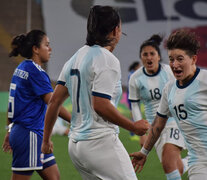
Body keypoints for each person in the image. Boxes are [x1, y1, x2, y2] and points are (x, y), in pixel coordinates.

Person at [41, 5, 149, 180]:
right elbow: (100, 105)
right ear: (115, 31)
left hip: (76, 147)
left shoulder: (74, 58)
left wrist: (46, 140)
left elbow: (54, 102)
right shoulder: (107, 60)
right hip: (99, 142)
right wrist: (133, 127)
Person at [130, 30, 206, 180]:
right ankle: (184, 165)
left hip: (175, 130)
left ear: (193, 59)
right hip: (199, 162)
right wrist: (144, 152)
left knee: (168, 158)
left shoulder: (204, 80)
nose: (174, 64)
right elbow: (158, 123)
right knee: (169, 165)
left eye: (180, 59)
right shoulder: (169, 89)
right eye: (171, 59)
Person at [2, 30, 71, 180]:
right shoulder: (36, 72)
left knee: (54, 178)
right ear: (35, 49)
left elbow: (11, 103)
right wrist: (76, 121)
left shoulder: (21, 68)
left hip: (27, 133)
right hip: (29, 134)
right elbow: (53, 103)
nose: (50, 49)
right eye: (46, 45)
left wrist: (9, 130)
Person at [127, 61, 141, 141]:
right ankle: (132, 134)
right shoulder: (132, 75)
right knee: (133, 115)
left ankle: (133, 133)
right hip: (132, 97)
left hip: (132, 97)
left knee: (134, 114)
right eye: (139, 66)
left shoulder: (131, 73)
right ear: (135, 66)